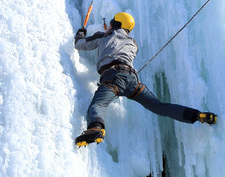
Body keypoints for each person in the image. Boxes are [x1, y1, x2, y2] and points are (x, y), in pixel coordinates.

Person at [74, 11, 217, 146]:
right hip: (132, 81)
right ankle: (197, 115)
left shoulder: (103, 36)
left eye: (112, 22)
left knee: (98, 104)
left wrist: (81, 34)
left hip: (113, 78)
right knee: (159, 107)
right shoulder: (132, 43)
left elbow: (79, 45)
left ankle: (96, 129)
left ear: (116, 24)